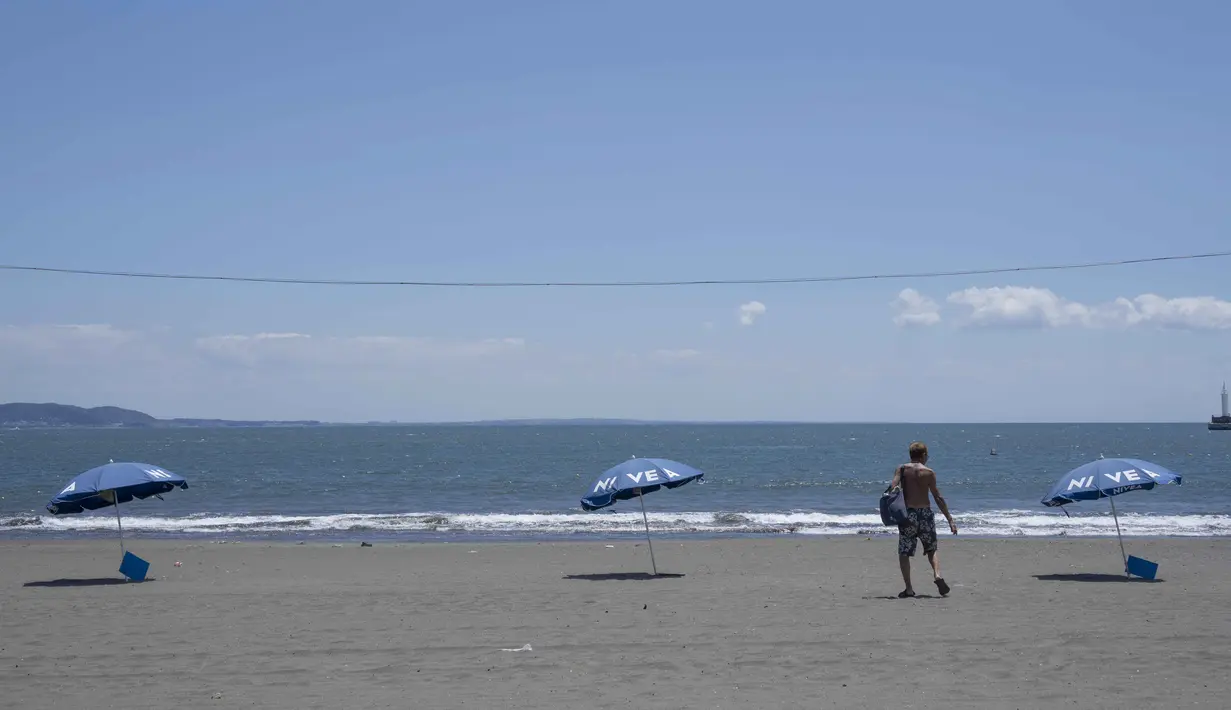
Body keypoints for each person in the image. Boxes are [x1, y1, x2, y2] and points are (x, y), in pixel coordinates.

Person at [889, 441, 957, 597]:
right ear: (924, 455)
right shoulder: (929, 472)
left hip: (908, 515)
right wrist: (950, 520)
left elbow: (892, 488)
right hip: (925, 514)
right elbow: (938, 497)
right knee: (931, 549)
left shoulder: (902, 469)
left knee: (905, 552)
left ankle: (909, 589)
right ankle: (937, 575)